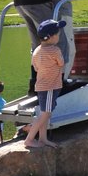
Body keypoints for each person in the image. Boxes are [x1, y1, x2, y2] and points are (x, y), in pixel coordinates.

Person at [26, 19, 65, 149]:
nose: (59, 36)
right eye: (57, 34)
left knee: (44, 112)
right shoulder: (55, 50)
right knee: (46, 113)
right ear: (50, 37)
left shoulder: (37, 50)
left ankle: (43, 139)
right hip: (50, 87)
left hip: (41, 86)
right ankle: (29, 139)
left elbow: (35, 67)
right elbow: (61, 63)